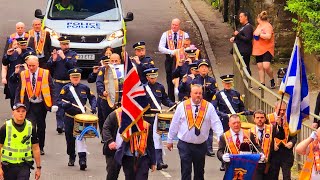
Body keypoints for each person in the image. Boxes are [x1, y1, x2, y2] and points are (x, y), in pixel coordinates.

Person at [167, 84, 224, 180]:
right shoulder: (182, 106)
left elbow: (216, 123)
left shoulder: (208, 107)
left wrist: (220, 138)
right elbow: (175, 123)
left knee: (199, 172)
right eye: (196, 93)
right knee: (186, 170)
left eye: (200, 93)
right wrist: (170, 139)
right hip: (185, 144)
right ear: (190, 94)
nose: (198, 95)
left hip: (201, 145)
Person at [14, 55, 58, 156]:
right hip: (28, 105)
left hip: (42, 105)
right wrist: (16, 103)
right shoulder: (23, 74)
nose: (31, 68)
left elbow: (52, 89)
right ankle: (31, 147)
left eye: (33, 65)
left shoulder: (45, 73)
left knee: (41, 127)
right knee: (30, 127)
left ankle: (40, 147)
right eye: (29, 65)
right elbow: (19, 89)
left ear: (38, 64)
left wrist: (54, 103)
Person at [58, 68, 97, 170]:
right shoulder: (66, 88)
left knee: (80, 138)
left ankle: (82, 160)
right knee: (70, 139)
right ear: (70, 78)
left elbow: (92, 98)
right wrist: (64, 105)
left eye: (77, 77)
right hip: (69, 117)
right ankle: (71, 156)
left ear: (80, 78)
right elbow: (58, 100)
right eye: (73, 77)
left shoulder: (85, 87)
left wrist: (93, 107)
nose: (75, 79)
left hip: (80, 119)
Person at [143, 68, 175, 170]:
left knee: (157, 139)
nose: (153, 79)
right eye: (151, 77)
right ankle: (146, 160)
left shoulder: (160, 87)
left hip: (157, 117)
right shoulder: (143, 88)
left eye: (155, 77)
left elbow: (165, 99)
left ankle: (159, 162)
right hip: (146, 117)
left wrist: (172, 104)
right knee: (147, 139)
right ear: (147, 77)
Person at [0, 103, 41, 180]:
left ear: (26, 112)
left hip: (24, 165)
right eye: (18, 111)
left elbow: (36, 148)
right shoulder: (5, 127)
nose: (21, 113)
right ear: (13, 112)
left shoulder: (30, 127)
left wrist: (38, 168)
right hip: (8, 166)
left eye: (23, 111)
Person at [47, 36, 77, 134]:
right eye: (63, 44)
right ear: (60, 45)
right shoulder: (55, 54)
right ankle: (59, 125)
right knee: (59, 104)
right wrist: (54, 60)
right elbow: (49, 68)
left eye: (67, 44)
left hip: (68, 83)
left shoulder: (73, 54)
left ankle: (67, 123)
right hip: (58, 83)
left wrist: (64, 58)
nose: (65, 45)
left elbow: (73, 67)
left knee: (69, 103)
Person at [190, 59, 218, 157]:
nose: (204, 69)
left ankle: (209, 148)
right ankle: (196, 145)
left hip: (208, 105)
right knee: (197, 126)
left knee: (209, 128)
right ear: (198, 69)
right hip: (197, 105)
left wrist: (210, 90)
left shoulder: (212, 80)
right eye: (202, 67)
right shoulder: (195, 81)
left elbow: (215, 94)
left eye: (205, 67)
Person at [158, 18, 189, 101]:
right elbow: (160, 47)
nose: (174, 26)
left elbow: (188, 46)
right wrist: (171, 52)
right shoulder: (165, 34)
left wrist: (181, 52)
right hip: (170, 60)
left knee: (182, 80)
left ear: (179, 25)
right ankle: (171, 101)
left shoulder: (185, 35)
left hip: (181, 61)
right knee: (170, 80)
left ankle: (182, 99)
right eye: (173, 24)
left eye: (176, 25)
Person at [268, 101, 297, 180]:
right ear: (275, 109)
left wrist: (292, 142)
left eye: (284, 110)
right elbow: (266, 135)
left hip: (286, 152)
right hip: (274, 152)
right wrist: (272, 143)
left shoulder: (289, 119)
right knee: (273, 175)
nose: (282, 112)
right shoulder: (268, 118)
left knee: (287, 176)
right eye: (280, 110)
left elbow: (294, 135)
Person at [2, 38, 30, 108]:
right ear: (18, 44)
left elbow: (29, 61)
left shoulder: (29, 52)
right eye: (21, 45)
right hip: (14, 79)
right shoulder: (13, 52)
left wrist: (20, 54)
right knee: (13, 100)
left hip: (25, 79)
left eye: (24, 44)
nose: (23, 46)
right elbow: (4, 63)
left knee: (25, 100)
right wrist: (8, 55)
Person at [252, 11, 275, 89]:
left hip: (267, 49)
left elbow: (268, 36)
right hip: (258, 48)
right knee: (260, 66)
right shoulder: (259, 26)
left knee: (266, 66)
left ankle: (272, 79)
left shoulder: (268, 26)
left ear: (259, 19)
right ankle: (262, 83)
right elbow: (255, 34)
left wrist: (260, 35)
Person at [250, 110, 275, 179]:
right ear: (254, 119)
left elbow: (280, 136)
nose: (260, 119)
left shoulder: (272, 129)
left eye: (262, 117)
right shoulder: (249, 132)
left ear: (265, 119)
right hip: (256, 163)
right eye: (257, 118)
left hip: (269, 163)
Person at [229, 11, 253, 75]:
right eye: (239, 17)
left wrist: (238, 35)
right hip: (241, 50)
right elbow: (241, 36)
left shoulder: (248, 27)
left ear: (246, 17)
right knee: (242, 66)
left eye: (241, 17)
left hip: (245, 50)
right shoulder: (243, 27)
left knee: (245, 66)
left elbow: (247, 39)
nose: (239, 18)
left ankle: (248, 82)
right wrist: (235, 37)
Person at [102, 107, 122, 180]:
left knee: (131, 174)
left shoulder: (135, 115)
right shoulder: (115, 114)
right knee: (112, 174)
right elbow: (106, 128)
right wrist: (110, 141)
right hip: (114, 150)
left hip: (128, 150)